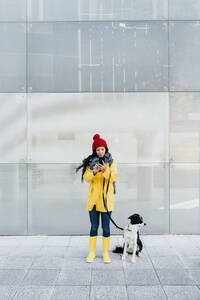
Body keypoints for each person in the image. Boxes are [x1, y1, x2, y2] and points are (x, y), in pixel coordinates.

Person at [76, 134, 117, 263]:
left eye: (102, 149)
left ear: (106, 149)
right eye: (98, 149)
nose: (100, 152)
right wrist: (93, 172)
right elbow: (87, 178)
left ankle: (105, 253)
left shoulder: (111, 162)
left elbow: (114, 177)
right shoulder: (90, 163)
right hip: (93, 200)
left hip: (106, 200)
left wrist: (106, 170)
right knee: (94, 227)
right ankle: (92, 252)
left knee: (106, 227)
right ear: (94, 150)